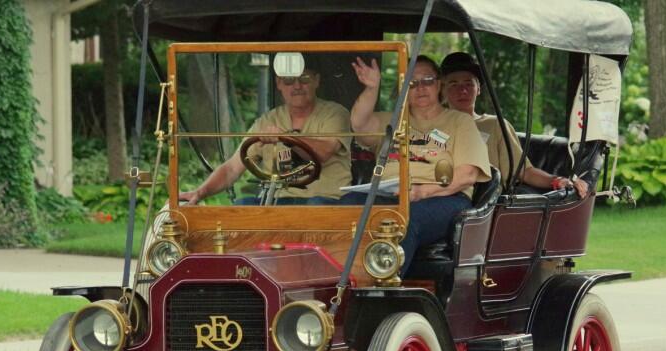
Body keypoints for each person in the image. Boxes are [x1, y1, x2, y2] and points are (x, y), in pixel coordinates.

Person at [350, 55, 491, 276]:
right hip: (388, 194)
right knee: (341, 207)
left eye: (427, 80)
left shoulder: (459, 122)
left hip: (444, 197)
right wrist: (371, 88)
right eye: (412, 83)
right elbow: (360, 124)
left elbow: (467, 175)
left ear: (439, 84)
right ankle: (336, 285)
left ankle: (383, 288)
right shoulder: (393, 120)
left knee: (403, 220)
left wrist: (421, 192)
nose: (420, 88)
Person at [181, 64, 351, 205]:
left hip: (325, 201)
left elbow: (324, 152)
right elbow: (232, 168)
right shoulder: (267, 121)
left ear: (317, 81)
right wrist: (200, 192)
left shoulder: (334, 114)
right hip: (277, 201)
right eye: (289, 80)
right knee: (241, 207)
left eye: (304, 79)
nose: (297, 86)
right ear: (279, 83)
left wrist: (286, 137)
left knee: (316, 207)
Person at [440, 52, 588, 199]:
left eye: (468, 83)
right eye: (454, 84)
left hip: (479, 202)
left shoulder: (494, 125)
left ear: (478, 89)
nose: (463, 90)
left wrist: (556, 180)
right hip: (437, 192)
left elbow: (523, 171)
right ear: (443, 90)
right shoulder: (432, 126)